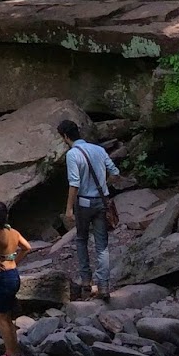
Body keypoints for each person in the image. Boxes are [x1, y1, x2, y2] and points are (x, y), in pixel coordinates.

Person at [58, 117, 120, 302]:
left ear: (66, 136)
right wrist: (103, 185)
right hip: (101, 201)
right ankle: (104, 286)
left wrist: (69, 208)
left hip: (83, 203)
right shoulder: (99, 150)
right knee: (102, 245)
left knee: (81, 239)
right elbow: (115, 172)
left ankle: (86, 280)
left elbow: (74, 183)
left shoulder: (72, 154)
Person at [0, 199, 31, 356]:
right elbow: (27, 247)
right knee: (7, 316)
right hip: (13, 275)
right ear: (7, 215)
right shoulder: (14, 233)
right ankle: (15, 352)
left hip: (1, 279)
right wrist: (15, 260)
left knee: (0, 317)